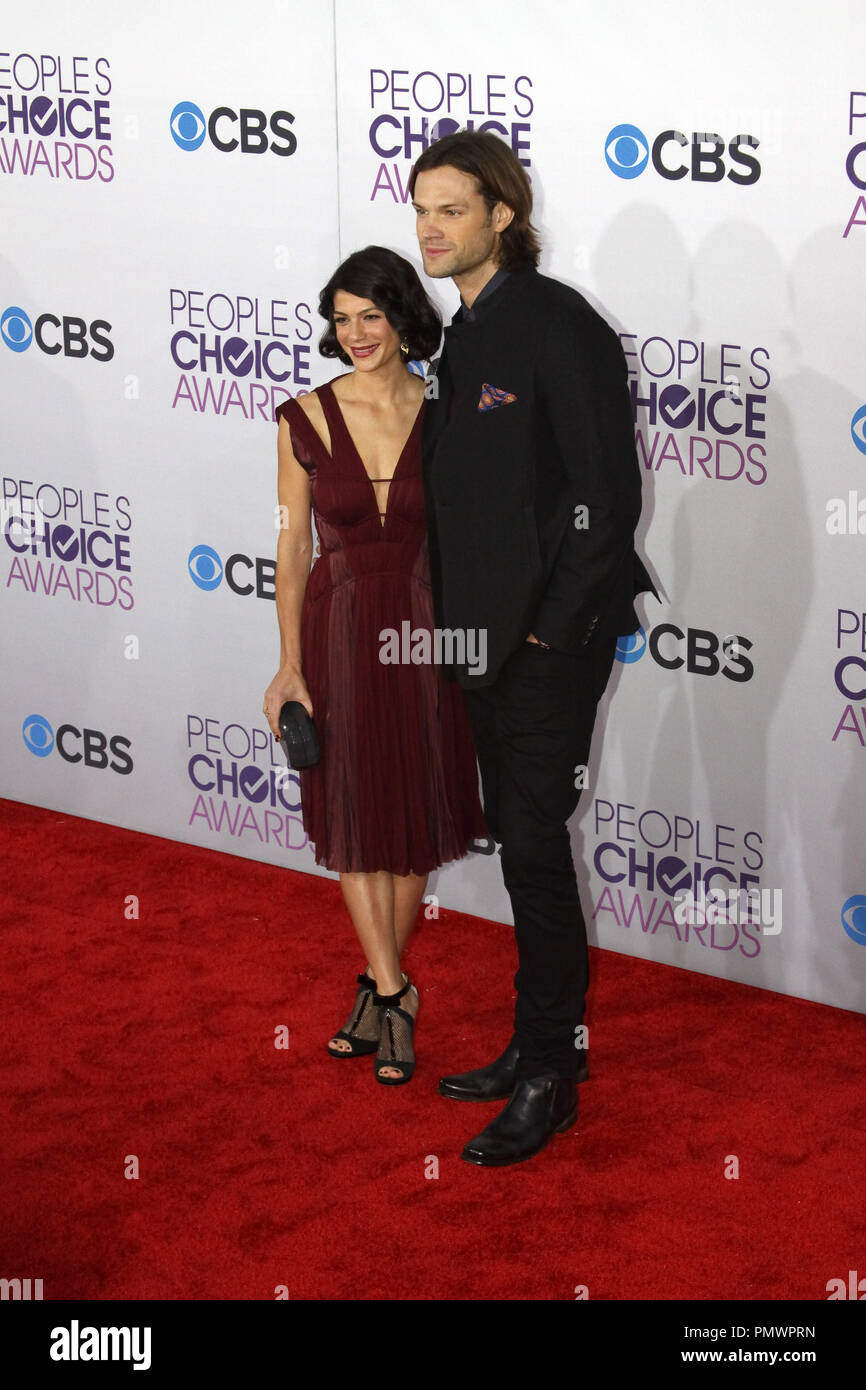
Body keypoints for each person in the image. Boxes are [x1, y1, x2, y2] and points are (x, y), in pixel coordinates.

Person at [410, 131, 658, 1164]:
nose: (429, 228)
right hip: (479, 638)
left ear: (502, 215)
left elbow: (608, 496)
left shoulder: (560, 326)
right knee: (520, 844)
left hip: (546, 641)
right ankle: (537, 1041)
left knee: (538, 850)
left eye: (451, 209)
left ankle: (552, 1074)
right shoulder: (461, 335)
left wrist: (551, 626)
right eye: (419, 209)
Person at [263, 246, 488, 1086]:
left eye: (371, 315)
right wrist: (289, 667)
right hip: (342, 628)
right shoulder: (303, 418)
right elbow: (290, 549)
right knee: (356, 807)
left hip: (428, 633)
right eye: (341, 318)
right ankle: (396, 991)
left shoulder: (449, 411)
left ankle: (373, 989)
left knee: (413, 807)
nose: (355, 333)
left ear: (402, 317)